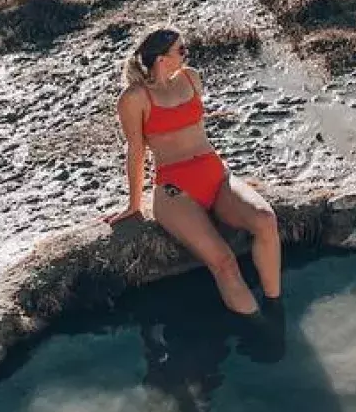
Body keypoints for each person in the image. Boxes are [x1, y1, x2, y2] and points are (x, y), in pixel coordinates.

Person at [106, 26, 282, 315]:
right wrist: (134, 205)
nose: (187, 54)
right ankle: (261, 328)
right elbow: (136, 151)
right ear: (162, 59)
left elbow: (196, 129)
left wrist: (237, 184)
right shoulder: (134, 98)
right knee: (224, 262)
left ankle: (276, 309)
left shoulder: (191, 77)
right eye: (181, 50)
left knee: (265, 219)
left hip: (216, 174)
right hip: (176, 189)